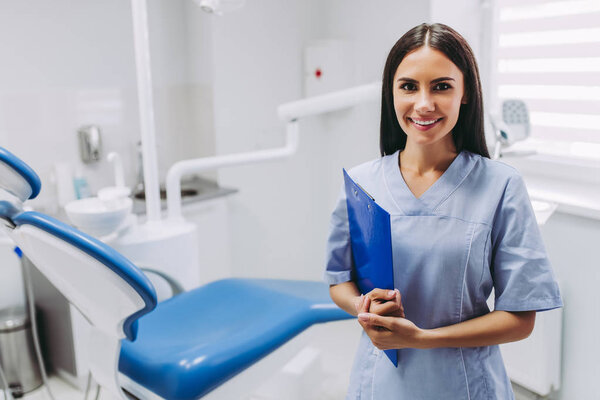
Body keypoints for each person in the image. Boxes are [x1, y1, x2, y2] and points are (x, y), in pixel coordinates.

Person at [324, 23, 562, 399]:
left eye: (441, 86)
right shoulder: (361, 182)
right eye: (408, 86)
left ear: (465, 92)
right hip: (380, 382)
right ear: (391, 93)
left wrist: (424, 339)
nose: (423, 104)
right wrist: (363, 306)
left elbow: (520, 319)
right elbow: (339, 280)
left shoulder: (500, 186)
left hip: (466, 384)